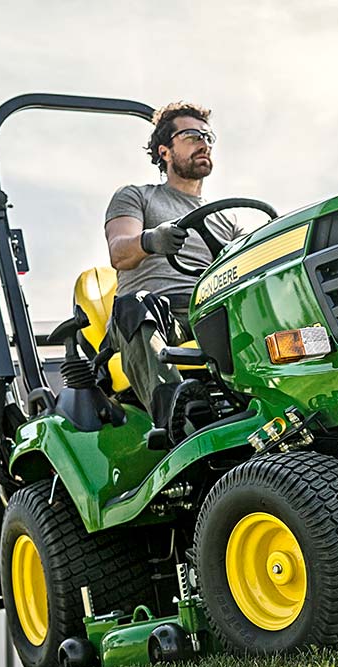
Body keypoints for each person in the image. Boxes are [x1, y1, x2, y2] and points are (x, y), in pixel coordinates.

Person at [103, 101, 241, 442]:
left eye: (208, 136)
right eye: (192, 135)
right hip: (157, 315)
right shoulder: (137, 197)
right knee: (134, 305)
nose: (204, 143)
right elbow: (119, 252)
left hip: (208, 311)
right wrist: (151, 239)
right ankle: (177, 419)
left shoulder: (228, 220)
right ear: (165, 151)